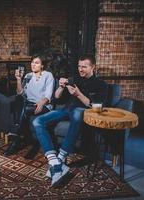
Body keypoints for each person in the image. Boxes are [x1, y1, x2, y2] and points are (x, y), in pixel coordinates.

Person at [32, 54, 108, 187]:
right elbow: (56, 97)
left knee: (78, 113)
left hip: (82, 111)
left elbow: (97, 107)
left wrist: (78, 94)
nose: (80, 69)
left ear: (93, 67)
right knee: (37, 122)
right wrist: (61, 86)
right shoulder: (74, 79)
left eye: (84, 67)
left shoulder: (101, 85)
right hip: (66, 110)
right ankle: (55, 162)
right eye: (79, 66)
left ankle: (60, 158)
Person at [4, 54, 55, 158]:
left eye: (36, 63)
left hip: (43, 105)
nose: (33, 64)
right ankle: (18, 137)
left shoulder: (48, 75)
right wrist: (18, 79)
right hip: (28, 105)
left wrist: (41, 103)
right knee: (18, 100)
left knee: (21, 109)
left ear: (42, 66)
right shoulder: (28, 76)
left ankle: (16, 139)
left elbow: (48, 96)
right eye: (32, 62)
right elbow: (20, 93)